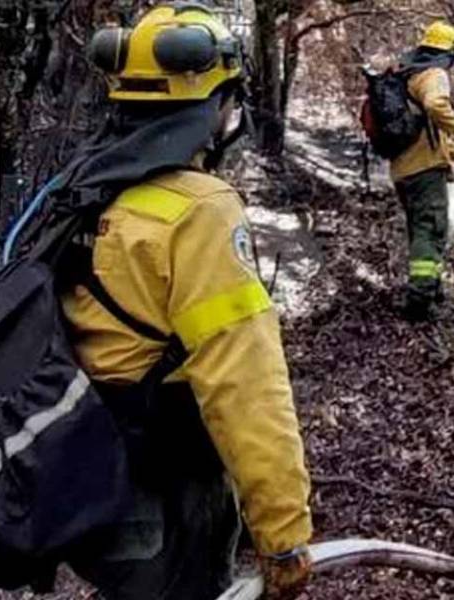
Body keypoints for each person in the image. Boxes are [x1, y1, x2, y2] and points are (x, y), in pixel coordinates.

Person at [59, 4, 312, 598]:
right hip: (167, 500)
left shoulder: (84, 184)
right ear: (217, 106)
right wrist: (283, 533)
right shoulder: (199, 210)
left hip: (90, 488)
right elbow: (244, 383)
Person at [390, 21, 454, 321]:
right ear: (448, 52)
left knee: (420, 229)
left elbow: (429, 133)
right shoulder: (434, 74)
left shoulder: (408, 73)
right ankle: (420, 301)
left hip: (404, 170)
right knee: (431, 229)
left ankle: (430, 288)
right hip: (424, 171)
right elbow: (436, 105)